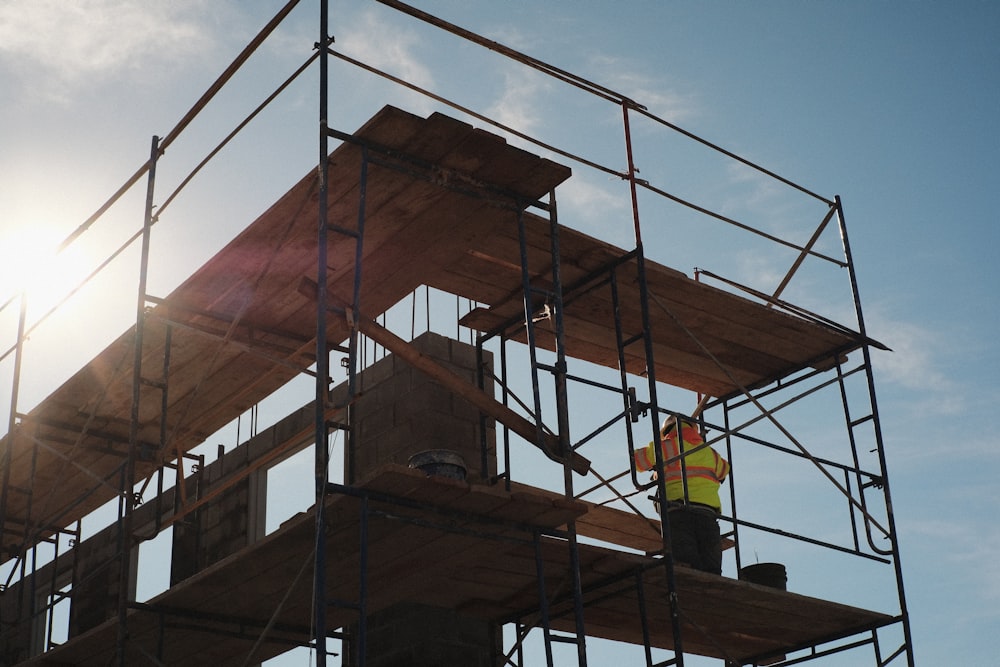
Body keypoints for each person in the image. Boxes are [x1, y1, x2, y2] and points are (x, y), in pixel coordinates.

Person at [633, 415, 730, 574]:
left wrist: (657, 467)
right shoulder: (710, 453)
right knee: (712, 572)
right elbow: (724, 470)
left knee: (686, 569)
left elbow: (637, 460)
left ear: (667, 431)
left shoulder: (667, 447)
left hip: (679, 512)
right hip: (708, 516)